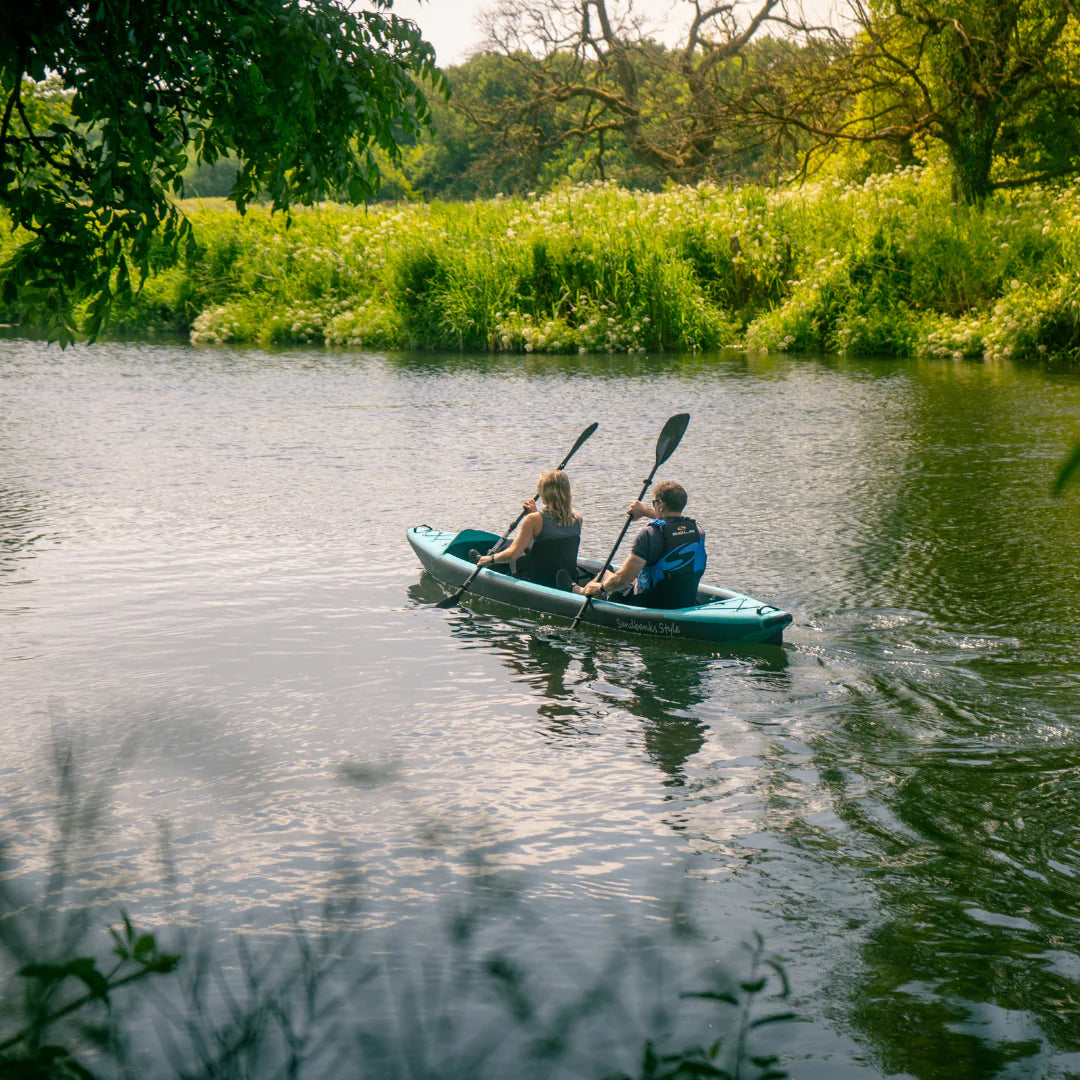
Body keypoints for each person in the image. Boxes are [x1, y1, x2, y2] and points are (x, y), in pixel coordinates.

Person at [579, 480, 706, 609]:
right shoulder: (697, 531)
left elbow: (623, 579)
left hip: (648, 604)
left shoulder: (649, 534)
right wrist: (645, 511)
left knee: (606, 575)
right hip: (684, 600)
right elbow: (672, 525)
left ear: (660, 504)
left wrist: (601, 588)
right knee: (615, 575)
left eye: (654, 503)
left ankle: (579, 591)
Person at [474, 469, 582, 588]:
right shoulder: (577, 519)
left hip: (536, 579)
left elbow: (512, 555)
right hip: (562, 577)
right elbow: (553, 540)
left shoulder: (533, 520)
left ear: (544, 493)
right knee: (513, 543)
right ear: (567, 492)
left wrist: (491, 559)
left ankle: (486, 562)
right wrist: (535, 514)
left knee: (511, 545)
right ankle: (488, 560)